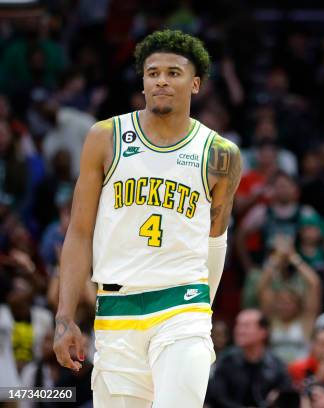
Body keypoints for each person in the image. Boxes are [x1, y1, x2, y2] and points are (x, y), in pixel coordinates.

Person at [52, 30, 242, 407]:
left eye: (174, 73)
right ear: (142, 81)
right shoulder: (105, 137)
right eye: (153, 72)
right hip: (116, 311)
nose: (161, 80)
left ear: (196, 84)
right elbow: (79, 233)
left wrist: (204, 309)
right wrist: (65, 317)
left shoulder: (220, 154)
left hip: (182, 308)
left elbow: (215, 241)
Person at [207, 309, 292, 407]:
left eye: (246, 326)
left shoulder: (277, 365)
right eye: (238, 325)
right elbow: (216, 397)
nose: (239, 330)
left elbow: (286, 397)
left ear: (263, 331)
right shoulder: (226, 361)